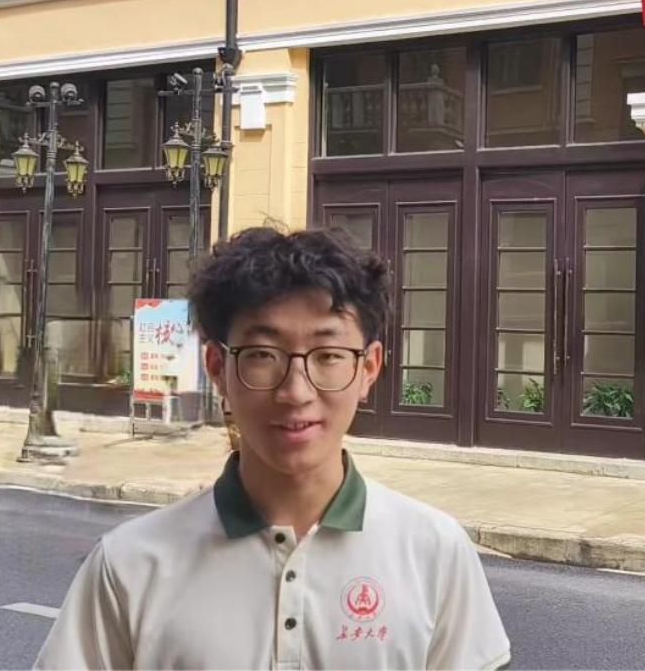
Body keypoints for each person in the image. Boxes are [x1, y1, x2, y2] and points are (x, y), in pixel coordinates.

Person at [35, 227, 511, 670]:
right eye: (263, 355)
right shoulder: (131, 564)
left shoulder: (433, 552)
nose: (295, 392)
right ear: (217, 367)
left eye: (328, 356)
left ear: (369, 368)